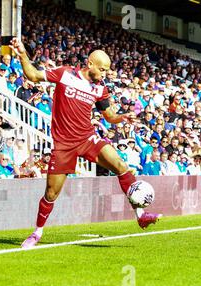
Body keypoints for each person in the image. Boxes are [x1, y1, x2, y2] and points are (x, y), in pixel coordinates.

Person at [9, 38, 162, 249]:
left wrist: (122, 118)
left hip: (87, 138)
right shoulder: (65, 74)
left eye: (107, 71)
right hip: (64, 144)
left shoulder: (101, 89)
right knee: (51, 193)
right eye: (103, 69)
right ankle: (37, 233)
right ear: (90, 64)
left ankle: (141, 215)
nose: (105, 74)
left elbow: (108, 115)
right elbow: (33, 75)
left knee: (120, 165)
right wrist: (22, 54)